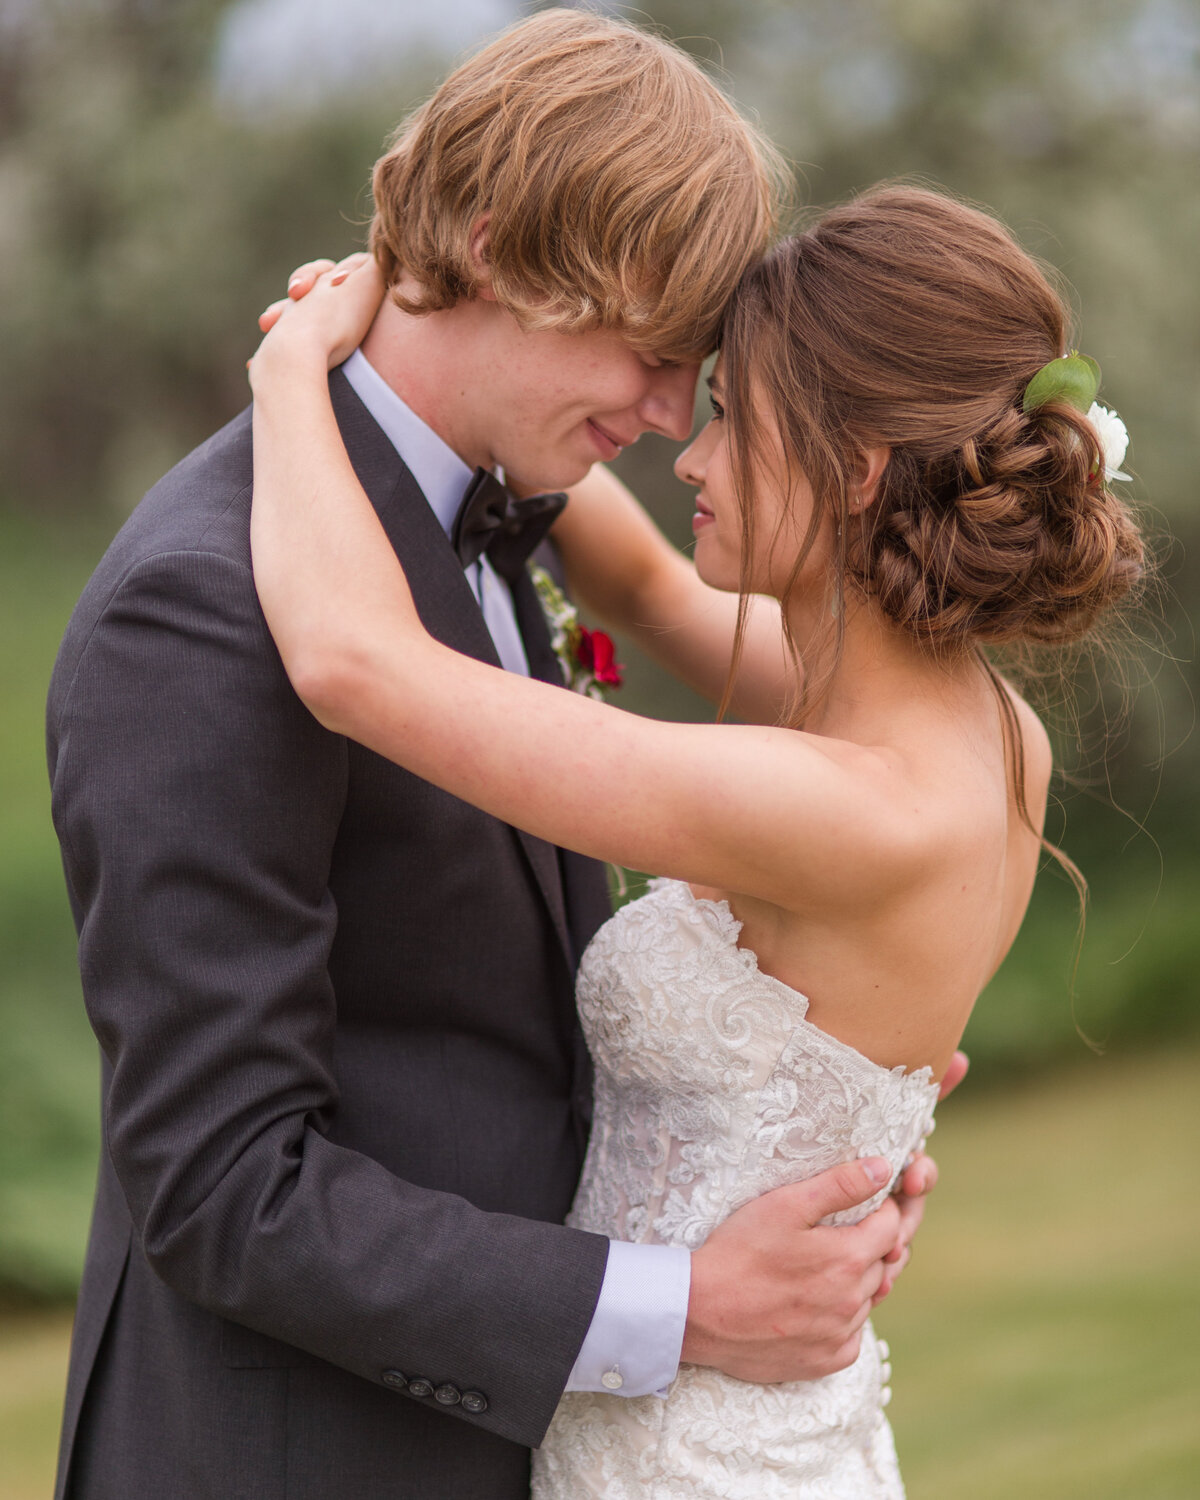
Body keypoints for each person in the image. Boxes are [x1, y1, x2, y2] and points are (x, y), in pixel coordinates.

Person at [45, 13, 947, 1500]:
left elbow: (500, 1011)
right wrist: (687, 1305)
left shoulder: (509, 513)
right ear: (489, 246)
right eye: (655, 355)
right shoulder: (197, 611)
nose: (670, 419)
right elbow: (222, 1190)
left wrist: (820, 1097)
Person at [246, 183, 1144, 1497]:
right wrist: (467, 373)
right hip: (764, 1427)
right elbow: (653, 586)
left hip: (687, 1462)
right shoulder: (974, 728)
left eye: (729, 420)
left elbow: (351, 666)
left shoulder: (850, 811)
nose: (686, 457)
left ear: (856, 466)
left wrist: (288, 374)